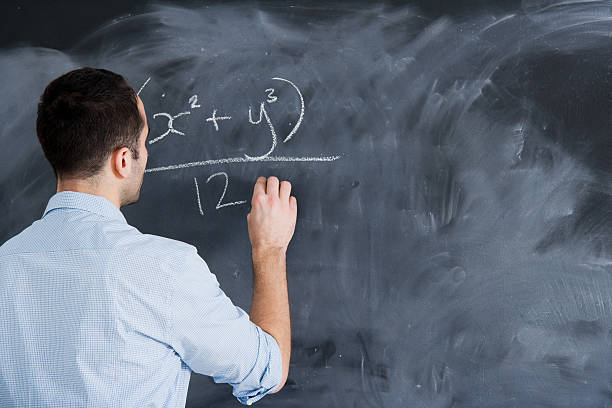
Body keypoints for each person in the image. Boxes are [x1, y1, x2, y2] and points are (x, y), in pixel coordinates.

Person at [0, 67, 296, 407]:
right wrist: (269, 247)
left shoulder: (5, 264)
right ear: (123, 160)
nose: (148, 154)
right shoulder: (162, 270)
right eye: (144, 141)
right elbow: (268, 370)